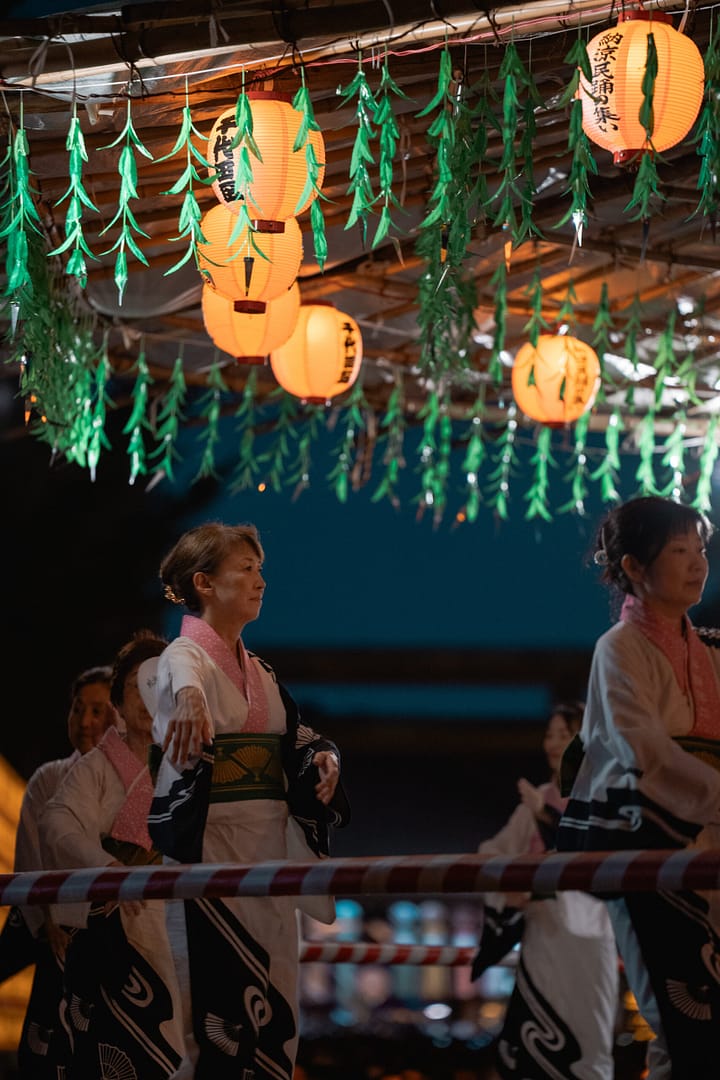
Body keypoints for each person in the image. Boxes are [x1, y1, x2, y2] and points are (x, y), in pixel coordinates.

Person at [145, 521, 350, 1080]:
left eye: (260, 569)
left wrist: (324, 759)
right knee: (213, 1021)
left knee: (276, 1016)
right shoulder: (182, 657)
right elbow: (182, 673)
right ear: (204, 583)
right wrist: (190, 699)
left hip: (270, 855)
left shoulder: (260, 670)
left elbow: (298, 738)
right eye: (246, 569)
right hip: (210, 851)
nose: (261, 581)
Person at [557, 495, 720, 1079]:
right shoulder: (618, 648)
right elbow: (641, 750)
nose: (698, 563)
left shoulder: (711, 649)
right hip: (646, 842)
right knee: (680, 1019)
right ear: (633, 566)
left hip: (706, 840)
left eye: (700, 549)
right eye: (679, 551)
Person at [40, 630, 189, 1079]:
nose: (147, 697)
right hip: (109, 928)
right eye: (135, 687)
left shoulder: (185, 765)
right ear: (118, 703)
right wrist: (107, 868)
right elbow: (58, 822)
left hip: (174, 926)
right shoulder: (97, 767)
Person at [472, 703, 618, 1079]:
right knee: (530, 1040)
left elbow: (597, 858)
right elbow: (492, 851)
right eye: (549, 735)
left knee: (587, 1037)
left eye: (564, 735)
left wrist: (546, 817)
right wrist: (511, 885)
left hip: (590, 932)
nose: (553, 743)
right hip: (543, 931)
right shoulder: (538, 797)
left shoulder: (606, 794)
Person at [13, 664, 116, 1079]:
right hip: (50, 926)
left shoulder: (135, 780)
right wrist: (50, 920)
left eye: (98, 711)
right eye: (78, 709)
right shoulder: (49, 778)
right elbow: (30, 859)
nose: (85, 721)